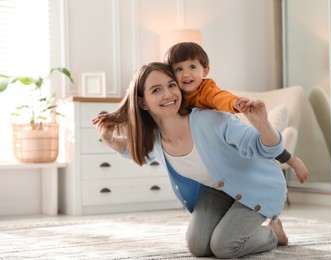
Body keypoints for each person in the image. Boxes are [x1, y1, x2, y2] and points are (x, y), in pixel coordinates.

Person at [92, 62, 289, 259]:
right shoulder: (156, 139)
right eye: (156, 90)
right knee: (198, 246)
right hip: (219, 191)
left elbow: (264, 147)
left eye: (171, 85)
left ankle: (274, 233)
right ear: (143, 103)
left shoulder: (210, 120)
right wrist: (109, 138)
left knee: (224, 247)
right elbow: (136, 153)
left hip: (256, 185)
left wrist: (263, 126)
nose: (168, 94)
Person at [164, 42, 309, 184]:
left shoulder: (206, 90)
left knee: (258, 146)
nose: (186, 74)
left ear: (205, 70)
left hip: (227, 129)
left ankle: (292, 160)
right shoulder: (174, 95)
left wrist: (234, 103)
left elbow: (219, 97)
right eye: (178, 69)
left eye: (192, 66)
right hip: (208, 143)